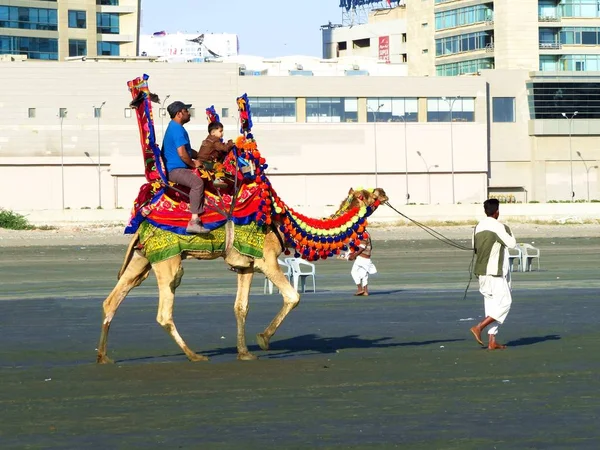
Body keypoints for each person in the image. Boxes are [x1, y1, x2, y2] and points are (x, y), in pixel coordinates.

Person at [470, 198, 517, 350]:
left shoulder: (477, 227)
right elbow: (512, 244)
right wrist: (507, 229)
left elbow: (474, 247)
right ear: (497, 211)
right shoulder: (498, 226)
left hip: (481, 272)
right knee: (505, 303)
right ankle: (479, 327)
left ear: (485, 211)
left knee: (491, 306)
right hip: (494, 272)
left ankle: (492, 341)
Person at [162, 100, 209, 234]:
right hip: (175, 170)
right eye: (186, 111)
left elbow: (188, 152)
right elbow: (182, 154)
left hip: (180, 167)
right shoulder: (176, 129)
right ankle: (194, 221)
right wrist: (194, 163)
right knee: (197, 183)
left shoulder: (176, 127)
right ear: (179, 114)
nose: (188, 113)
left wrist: (203, 156)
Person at [197, 121, 235, 187]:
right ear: (213, 132)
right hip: (205, 162)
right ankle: (218, 181)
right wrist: (231, 143)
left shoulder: (208, 139)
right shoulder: (214, 140)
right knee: (219, 166)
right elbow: (224, 148)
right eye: (220, 131)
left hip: (201, 160)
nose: (222, 133)